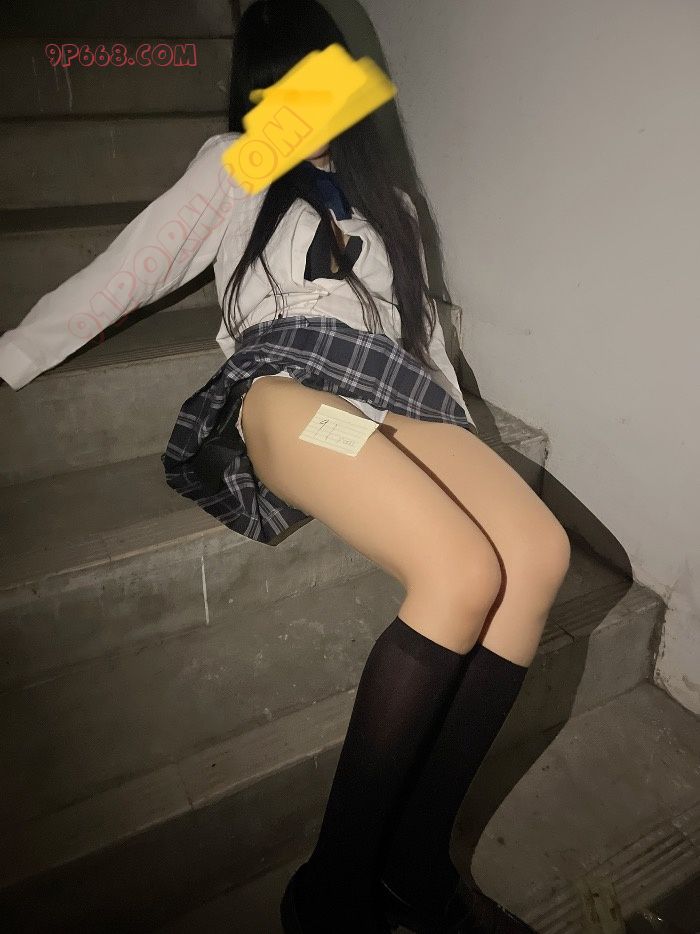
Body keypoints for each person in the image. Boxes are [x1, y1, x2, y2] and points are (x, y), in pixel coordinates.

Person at [0, 2, 571, 931]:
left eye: (323, 72)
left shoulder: (390, 197)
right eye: (287, 77)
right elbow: (135, 263)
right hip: (291, 386)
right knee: (462, 571)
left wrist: (469, 448)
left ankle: (415, 863)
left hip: (397, 388)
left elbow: (424, 336)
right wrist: (14, 353)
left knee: (538, 554)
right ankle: (333, 889)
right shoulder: (244, 159)